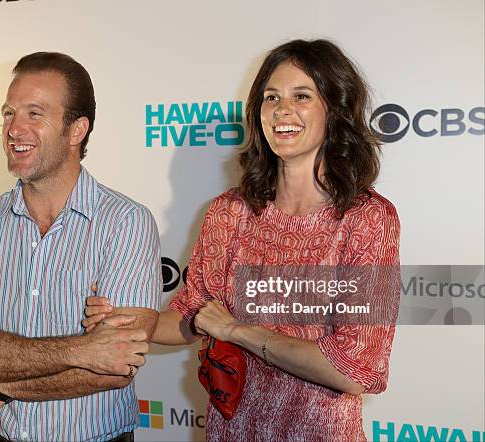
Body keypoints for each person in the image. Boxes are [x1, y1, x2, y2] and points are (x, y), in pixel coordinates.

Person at [84, 39, 401, 441]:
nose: (282, 110)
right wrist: (130, 320)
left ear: (335, 111)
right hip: (234, 428)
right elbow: (191, 316)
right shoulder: (230, 211)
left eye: (301, 96)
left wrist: (238, 331)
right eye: (271, 98)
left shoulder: (366, 218)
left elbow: (356, 368)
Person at [0, 52, 162, 442]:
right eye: (9, 113)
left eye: (34, 114)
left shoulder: (126, 223)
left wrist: (1, 390)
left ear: (76, 129)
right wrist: (83, 350)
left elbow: (116, 367)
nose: (14, 128)